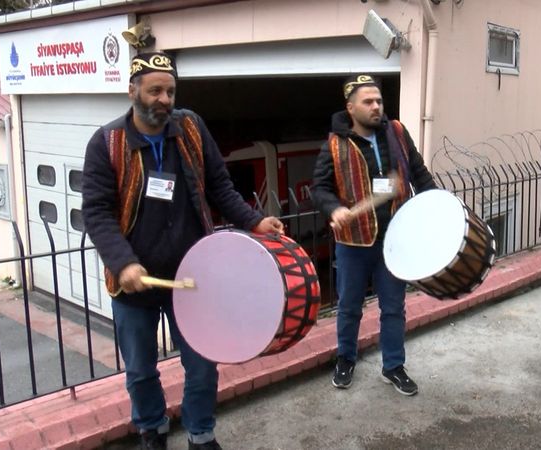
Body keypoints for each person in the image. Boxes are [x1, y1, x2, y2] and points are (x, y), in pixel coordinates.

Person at [82, 52, 284, 450]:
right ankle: (152, 429)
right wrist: (123, 263)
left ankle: (201, 433)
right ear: (132, 91)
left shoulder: (190, 127)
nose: (164, 99)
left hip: (193, 277)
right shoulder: (107, 142)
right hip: (134, 282)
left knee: (203, 367)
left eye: (170, 91)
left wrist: (253, 220)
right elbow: (97, 212)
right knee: (140, 371)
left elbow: (220, 185)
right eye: (155, 90)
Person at [311, 75, 437, 396]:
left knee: (393, 306)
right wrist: (334, 209)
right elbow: (320, 189)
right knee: (350, 306)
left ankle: (393, 365)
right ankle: (346, 358)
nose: (376, 106)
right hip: (354, 242)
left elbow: (419, 173)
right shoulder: (335, 144)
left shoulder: (396, 132)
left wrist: (437, 207)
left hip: (395, 238)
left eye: (379, 100)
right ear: (350, 107)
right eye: (368, 102)